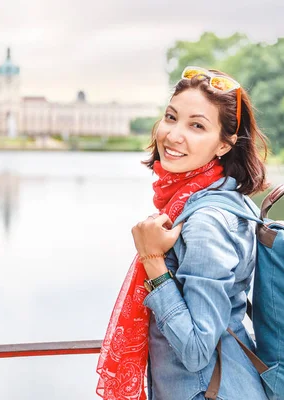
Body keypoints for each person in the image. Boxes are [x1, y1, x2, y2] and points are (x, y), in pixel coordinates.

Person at [96, 66, 270, 399]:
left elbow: (196, 349)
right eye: (171, 117)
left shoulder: (206, 220)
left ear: (223, 145)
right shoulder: (221, 197)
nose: (174, 135)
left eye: (196, 126)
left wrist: (152, 260)